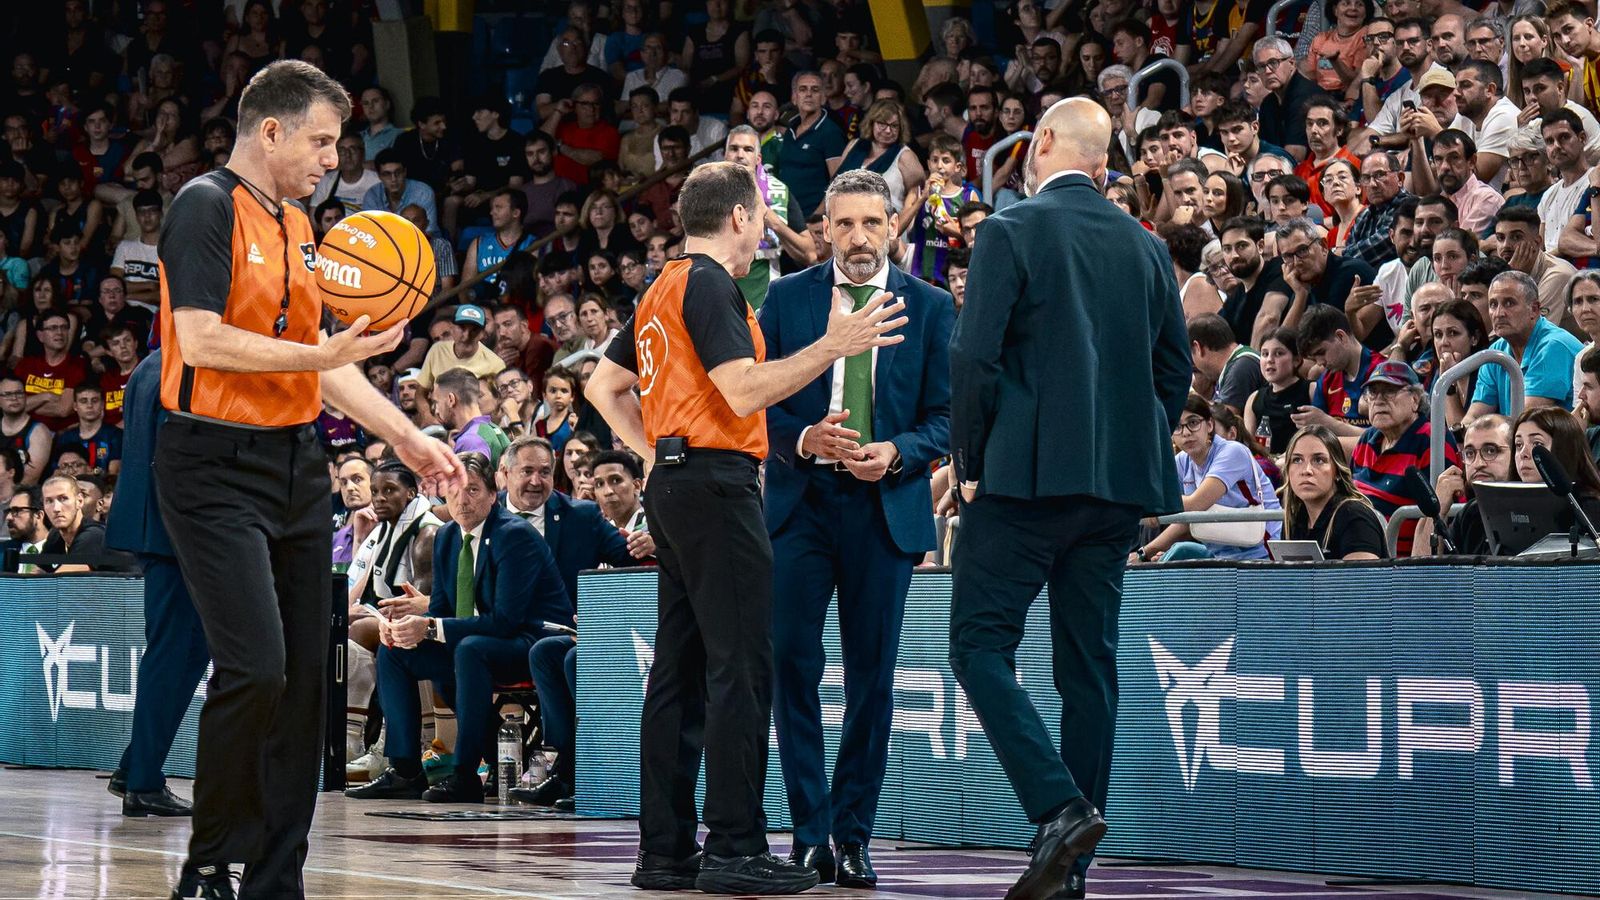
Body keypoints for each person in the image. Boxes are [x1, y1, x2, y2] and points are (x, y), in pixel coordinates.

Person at [152, 61, 463, 900]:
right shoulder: (203, 206)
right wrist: (319, 355)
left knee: (305, 685)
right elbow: (202, 338)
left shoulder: (297, 224)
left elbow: (326, 370)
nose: (333, 157)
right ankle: (209, 861)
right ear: (272, 130)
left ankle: (275, 878)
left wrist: (411, 439)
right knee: (255, 668)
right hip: (209, 459)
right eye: (322, 140)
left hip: (294, 464)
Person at [585, 161, 902, 894]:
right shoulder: (709, 283)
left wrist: (661, 450)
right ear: (738, 218)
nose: (767, 226)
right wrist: (834, 346)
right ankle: (734, 846)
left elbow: (603, 385)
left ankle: (664, 852)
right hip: (715, 486)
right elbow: (741, 387)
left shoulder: (662, 284)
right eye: (761, 214)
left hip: (674, 482)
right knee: (741, 667)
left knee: (680, 672)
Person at [947, 97, 1190, 900]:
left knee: (979, 647)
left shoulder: (1010, 229)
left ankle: (1057, 809)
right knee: (1088, 671)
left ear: (1044, 142)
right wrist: (1127, 442)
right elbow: (1174, 373)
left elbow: (975, 359)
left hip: (1021, 482)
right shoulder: (1148, 247)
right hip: (1117, 491)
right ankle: (1070, 872)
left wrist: (970, 463)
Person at [759, 169, 953, 888]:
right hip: (800, 502)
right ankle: (808, 833)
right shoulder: (785, 300)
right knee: (791, 666)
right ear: (824, 229)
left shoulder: (930, 308)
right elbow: (756, 401)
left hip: (884, 505)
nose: (859, 237)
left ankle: (853, 834)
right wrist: (805, 438)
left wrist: (898, 452)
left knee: (873, 680)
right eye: (844, 224)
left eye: (872, 223)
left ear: (894, 227)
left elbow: (949, 416)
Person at [346, 451, 570, 804]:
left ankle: (465, 774)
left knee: (469, 651)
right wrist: (407, 628)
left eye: (473, 491)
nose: (462, 502)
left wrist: (432, 628)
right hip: (478, 644)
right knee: (396, 651)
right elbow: (439, 611)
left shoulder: (515, 535)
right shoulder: (448, 537)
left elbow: (505, 621)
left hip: (531, 641)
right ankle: (405, 769)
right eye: (454, 492)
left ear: (492, 494)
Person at [511, 441, 653, 808]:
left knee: (577, 659)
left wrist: (656, 544)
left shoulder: (601, 519)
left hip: (636, 631)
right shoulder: (495, 520)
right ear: (506, 475)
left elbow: (638, 564)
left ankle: (597, 771)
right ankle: (564, 768)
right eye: (600, 482)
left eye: (544, 471)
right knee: (545, 653)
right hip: (571, 629)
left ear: (639, 484)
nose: (608, 491)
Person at [104, 349, 210, 816]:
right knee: (172, 650)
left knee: (192, 648)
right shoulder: (189, 358)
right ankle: (143, 781)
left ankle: (136, 765)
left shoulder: (150, 362)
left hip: (157, 521)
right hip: (177, 525)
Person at [1136, 393, 1284, 562]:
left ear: (1209, 425)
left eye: (1193, 423)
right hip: (1219, 556)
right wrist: (1143, 553)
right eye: (1177, 426)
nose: (1186, 433)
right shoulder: (1181, 462)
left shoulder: (1232, 452)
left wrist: (1151, 504)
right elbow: (1184, 520)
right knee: (1175, 555)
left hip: (1262, 555)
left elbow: (1196, 504)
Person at [1350, 361, 1460, 555]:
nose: (1378, 400)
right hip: (1360, 549)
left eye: (1389, 392)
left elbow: (1443, 515)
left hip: (1403, 562)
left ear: (1415, 400)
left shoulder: (1432, 439)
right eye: (1373, 393)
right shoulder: (1367, 439)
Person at [1469, 271, 1586, 418]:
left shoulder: (1554, 346)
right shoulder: (1495, 352)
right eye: (1493, 304)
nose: (1499, 313)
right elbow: (1475, 416)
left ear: (1534, 309)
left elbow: (1523, 421)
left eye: (1509, 303)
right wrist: (1463, 430)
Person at [1280, 424, 1389, 559]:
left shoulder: (1355, 517)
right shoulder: (1294, 519)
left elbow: (1361, 579)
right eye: (1297, 460)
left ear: (1337, 471)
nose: (1306, 470)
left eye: (1319, 460)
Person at [1413, 414, 1514, 556]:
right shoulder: (1469, 514)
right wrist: (1438, 510)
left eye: (1491, 451)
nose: (1478, 464)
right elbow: (1419, 573)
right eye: (1470, 453)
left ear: (1517, 454)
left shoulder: (1535, 510)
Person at [1246, 327, 1314, 455]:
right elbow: (1249, 447)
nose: (1270, 360)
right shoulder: (1254, 399)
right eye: (1265, 354)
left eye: (1279, 353)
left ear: (1296, 360)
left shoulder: (1311, 390)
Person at [433, 367, 510, 467]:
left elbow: (473, 482)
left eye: (437, 402)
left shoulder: (470, 440)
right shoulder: (494, 429)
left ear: (451, 400)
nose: (436, 411)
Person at [417, 304, 506, 390]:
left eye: (474, 330)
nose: (466, 336)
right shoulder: (437, 350)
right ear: (452, 329)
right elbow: (421, 393)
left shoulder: (496, 364)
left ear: (482, 333)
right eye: (462, 328)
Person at [1189, 313, 1264, 414]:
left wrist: (1193, 399)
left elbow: (1224, 423)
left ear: (1198, 348)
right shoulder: (1241, 361)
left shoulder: (1241, 368)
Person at [53, 381, 122, 475]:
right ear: (75, 406)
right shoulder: (65, 438)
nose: (89, 406)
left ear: (102, 405)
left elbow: (113, 473)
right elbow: (57, 473)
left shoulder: (116, 435)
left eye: (94, 401)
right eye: (83, 401)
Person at [5, 487, 50, 572]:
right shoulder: (2, 552)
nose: (9, 517)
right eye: (9, 511)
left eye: (16, 511)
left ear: (39, 515)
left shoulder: (63, 551)